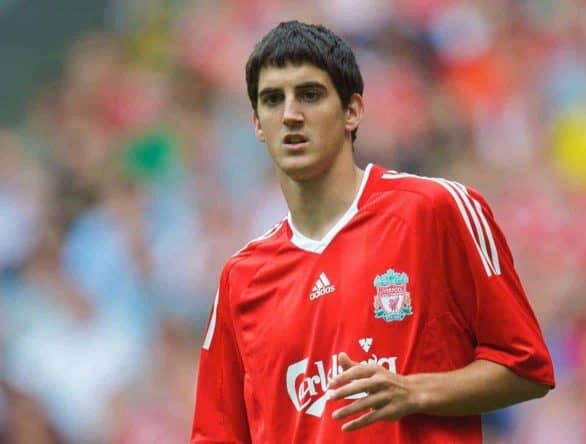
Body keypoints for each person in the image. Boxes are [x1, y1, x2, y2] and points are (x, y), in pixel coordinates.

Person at [190, 20, 555, 443]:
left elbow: (526, 367)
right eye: (273, 100)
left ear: (352, 111)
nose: (290, 114)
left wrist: (414, 391)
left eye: (310, 94)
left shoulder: (435, 211)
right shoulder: (242, 278)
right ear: (256, 124)